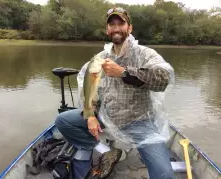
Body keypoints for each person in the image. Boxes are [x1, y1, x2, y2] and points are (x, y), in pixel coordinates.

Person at [55, 7, 175, 179]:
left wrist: (124, 72)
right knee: (63, 121)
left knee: (164, 174)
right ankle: (102, 149)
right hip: (106, 117)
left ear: (129, 28)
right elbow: (87, 87)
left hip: (139, 123)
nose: (116, 28)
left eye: (121, 24)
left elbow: (164, 78)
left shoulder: (145, 54)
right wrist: (90, 115)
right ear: (107, 30)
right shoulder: (100, 58)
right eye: (112, 24)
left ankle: (108, 149)